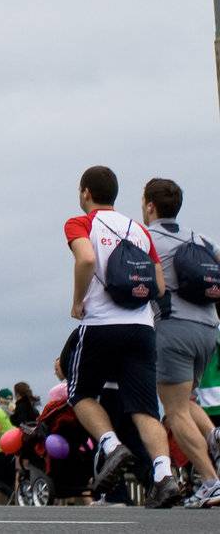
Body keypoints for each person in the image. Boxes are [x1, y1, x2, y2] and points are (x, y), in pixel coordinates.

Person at [64, 165, 180, 507]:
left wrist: (77, 302)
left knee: (81, 392)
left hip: (100, 324)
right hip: (142, 329)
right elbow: (158, 286)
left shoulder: (80, 222)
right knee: (145, 408)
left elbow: (85, 258)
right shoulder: (139, 231)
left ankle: (112, 446)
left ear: (85, 193)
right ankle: (163, 475)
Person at [141, 176, 220, 506]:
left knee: (173, 412)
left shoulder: (148, 238)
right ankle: (215, 436)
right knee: (187, 401)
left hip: (174, 329)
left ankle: (211, 482)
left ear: (150, 206)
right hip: (209, 330)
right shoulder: (200, 238)